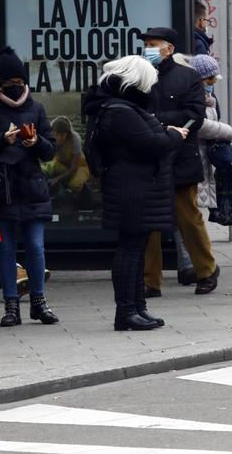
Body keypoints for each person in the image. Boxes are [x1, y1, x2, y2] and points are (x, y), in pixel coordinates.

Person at [82, 56, 185, 331]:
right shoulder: (120, 111)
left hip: (134, 185)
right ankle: (126, 311)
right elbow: (151, 144)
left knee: (136, 249)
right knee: (130, 249)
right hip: (131, 187)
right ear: (136, 82)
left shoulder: (120, 108)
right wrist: (175, 136)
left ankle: (137, 307)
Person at [0, 47, 59, 327]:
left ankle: (39, 301)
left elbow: (50, 151)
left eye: (19, 83)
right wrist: (3, 139)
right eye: (9, 83)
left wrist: (35, 143)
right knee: (6, 250)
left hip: (32, 187)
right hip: (2, 188)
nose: (15, 88)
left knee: (36, 246)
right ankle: (11, 305)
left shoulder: (36, 108)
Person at [140, 27, 220, 296]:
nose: (148, 48)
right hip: (148, 157)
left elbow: (195, 115)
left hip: (180, 157)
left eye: (153, 44)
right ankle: (150, 280)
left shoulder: (188, 77)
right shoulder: (139, 76)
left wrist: (160, 124)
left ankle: (206, 271)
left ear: (169, 49)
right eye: (146, 44)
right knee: (149, 223)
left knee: (188, 218)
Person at [188, 55, 232, 213]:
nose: (212, 85)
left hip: (202, 159)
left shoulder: (207, 98)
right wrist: (226, 131)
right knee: (191, 213)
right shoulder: (193, 99)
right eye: (209, 81)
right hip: (193, 159)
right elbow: (200, 125)